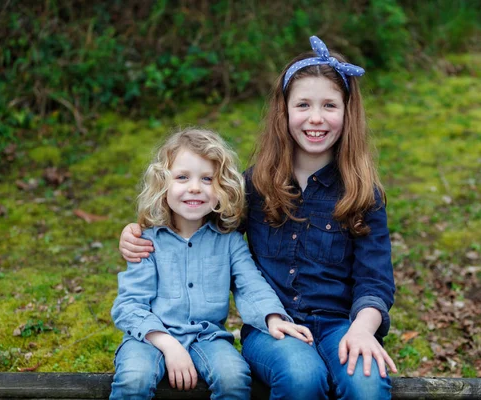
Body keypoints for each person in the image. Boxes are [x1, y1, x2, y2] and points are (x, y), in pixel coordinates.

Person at [119, 36, 397, 399]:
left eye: (329, 105)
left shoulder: (362, 192)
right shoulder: (255, 186)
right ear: (284, 112)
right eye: (303, 105)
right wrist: (136, 231)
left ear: (347, 113)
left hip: (342, 325)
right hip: (273, 328)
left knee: (367, 384)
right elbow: (198, 223)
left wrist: (362, 329)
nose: (316, 118)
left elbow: (375, 281)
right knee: (301, 377)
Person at [110, 128, 313, 400]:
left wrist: (272, 317)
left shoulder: (229, 242)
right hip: (149, 338)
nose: (195, 187)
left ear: (223, 188)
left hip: (208, 338)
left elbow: (251, 285)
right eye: (182, 177)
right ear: (163, 184)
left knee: (234, 377)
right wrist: (168, 344)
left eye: (207, 179)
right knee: (134, 378)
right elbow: (129, 306)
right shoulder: (147, 241)